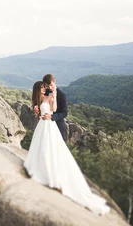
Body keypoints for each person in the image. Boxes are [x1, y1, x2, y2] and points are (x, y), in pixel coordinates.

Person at [24, 80, 110, 216]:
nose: (43, 89)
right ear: (37, 90)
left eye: (44, 87)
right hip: (42, 125)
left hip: (50, 125)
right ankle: (39, 167)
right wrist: (36, 110)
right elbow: (38, 113)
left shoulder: (48, 96)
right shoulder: (37, 100)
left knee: (51, 148)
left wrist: (53, 101)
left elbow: (53, 109)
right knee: (41, 147)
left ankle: (50, 172)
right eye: (41, 88)